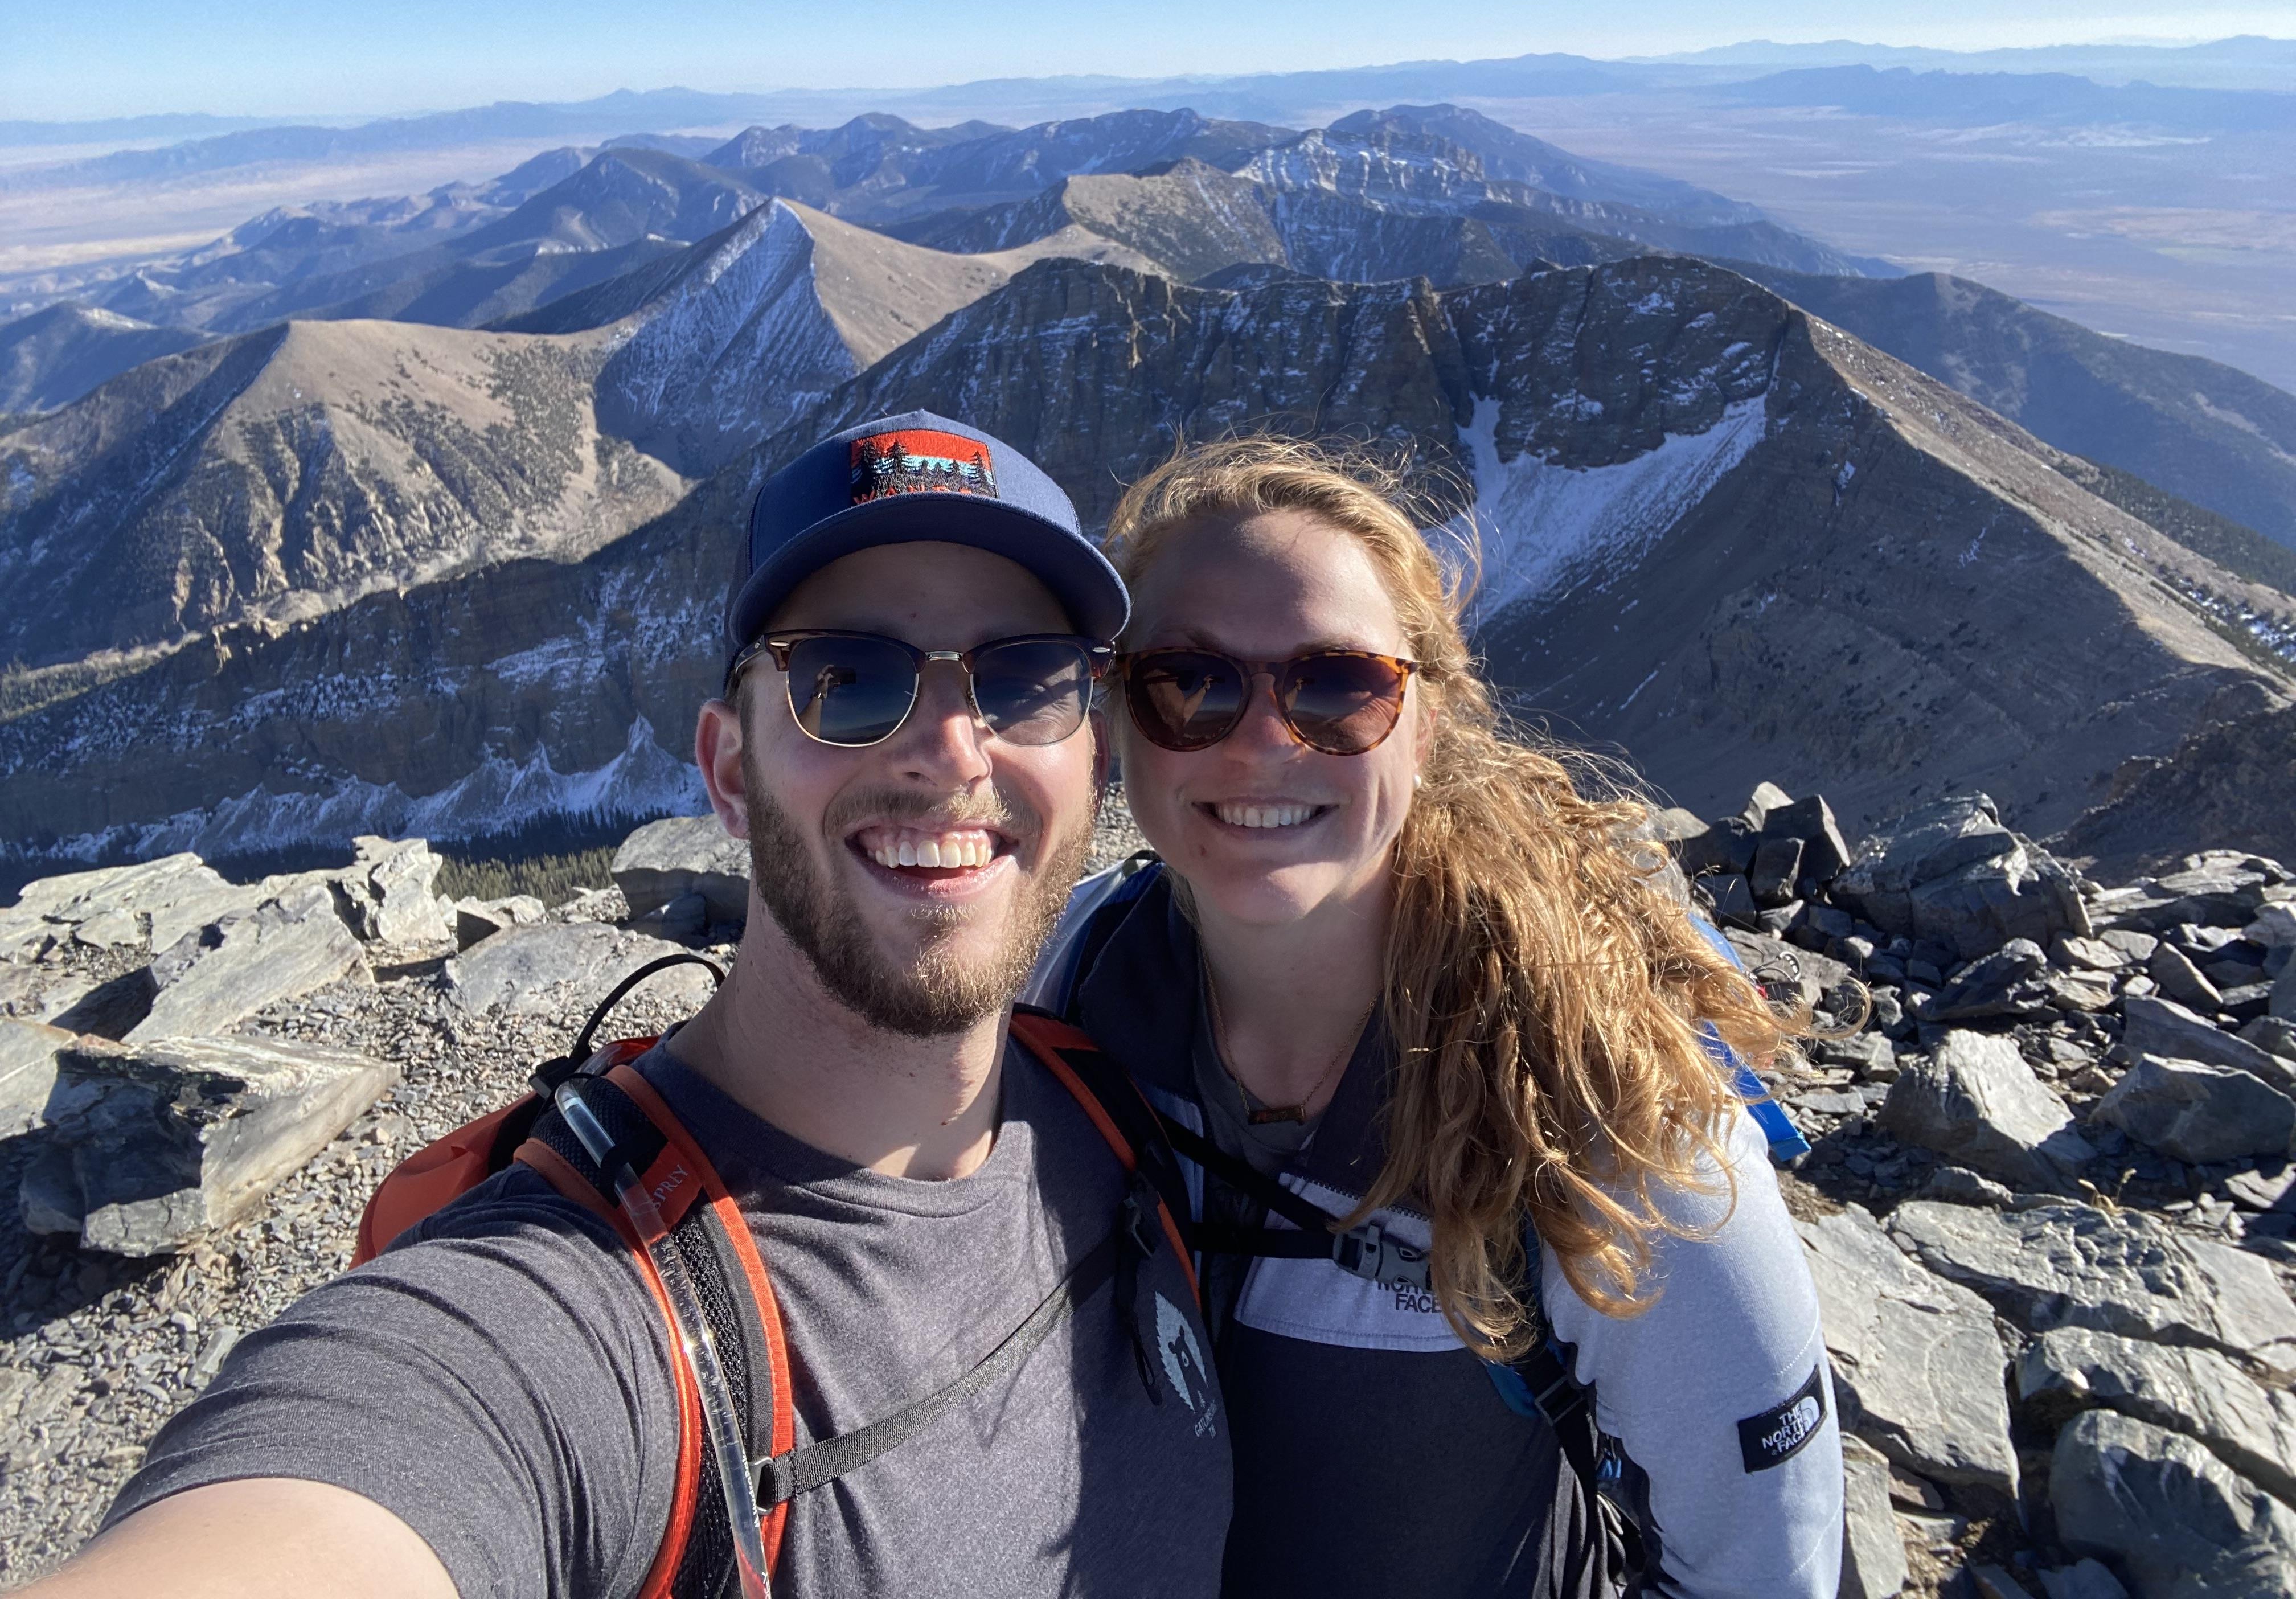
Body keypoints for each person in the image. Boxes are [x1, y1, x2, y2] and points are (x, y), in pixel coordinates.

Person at [29, 412, 1230, 1599]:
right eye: (847, 679)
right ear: (727, 771)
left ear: (1097, 758)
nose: (954, 749)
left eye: (1026, 680)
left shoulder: (1120, 1107)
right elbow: (363, 1470)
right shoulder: (566, 1317)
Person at [1026, 438, 1842, 1599]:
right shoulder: (1080, 972)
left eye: (1338, 687)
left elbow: (1766, 1570)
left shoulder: (1605, 1116)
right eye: (1189, 684)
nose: (1264, 738)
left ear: (1425, 721)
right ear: (1115, 720)